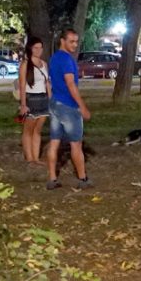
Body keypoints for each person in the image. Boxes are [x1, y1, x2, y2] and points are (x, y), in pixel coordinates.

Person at [46, 29, 93, 190]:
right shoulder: (67, 60)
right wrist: (82, 106)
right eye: (71, 41)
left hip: (55, 104)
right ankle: (83, 178)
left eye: (76, 41)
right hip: (68, 106)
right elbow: (71, 84)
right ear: (62, 41)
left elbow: (51, 82)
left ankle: (52, 179)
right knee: (76, 145)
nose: (74, 44)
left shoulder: (54, 58)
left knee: (54, 143)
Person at [16, 36, 51, 165]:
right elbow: (22, 85)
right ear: (30, 48)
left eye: (40, 48)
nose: (38, 50)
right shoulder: (25, 64)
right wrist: (23, 105)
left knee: (37, 131)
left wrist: (51, 100)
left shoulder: (44, 64)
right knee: (28, 131)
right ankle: (29, 159)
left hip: (43, 99)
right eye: (36, 48)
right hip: (31, 99)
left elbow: (47, 83)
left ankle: (36, 158)